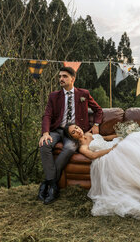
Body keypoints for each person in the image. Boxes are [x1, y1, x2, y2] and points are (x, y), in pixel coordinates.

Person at [38, 66, 103, 205]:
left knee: (68, 148)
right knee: (44, 145)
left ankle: (48, 183)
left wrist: (96, 125)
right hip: (57, 130)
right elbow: (47, 115)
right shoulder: (54, 96)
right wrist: (45, 133)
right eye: (60, 76)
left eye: (65, 76)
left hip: (73, 133)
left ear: (73, 79)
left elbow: (98, 110)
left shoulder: (83, 94)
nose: (61, 79)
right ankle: (53, 185)